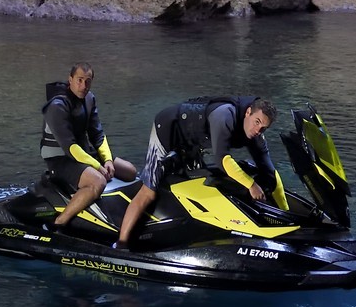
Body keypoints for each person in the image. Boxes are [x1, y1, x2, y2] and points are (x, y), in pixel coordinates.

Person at [116, 94, 288, 247]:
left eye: (264, 128)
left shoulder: (257, 135)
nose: (258, 130)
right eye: (257, 122)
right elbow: (223, 160)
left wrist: (286, 216)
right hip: (168, 129)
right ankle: (121, 243)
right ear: (248, 112)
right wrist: (251, 185)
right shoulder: (224, 115)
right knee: (149, 192)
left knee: (193, 185)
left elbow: (271, 174)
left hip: (192, 142)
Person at [40, 62, 137, 229]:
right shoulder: (57, 106)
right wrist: (98, 167)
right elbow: (70, 147)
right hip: (61, 159)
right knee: (98, 181)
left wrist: (107, 160)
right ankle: (59, 223)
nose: (83, 86)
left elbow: (98, 135)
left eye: (88, 81)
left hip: (84, 153)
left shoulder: (89, 99)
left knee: (130, 171)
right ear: (70, 80)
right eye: (79, 80)